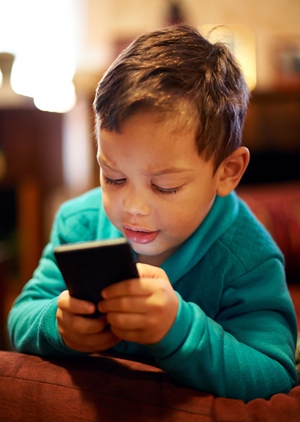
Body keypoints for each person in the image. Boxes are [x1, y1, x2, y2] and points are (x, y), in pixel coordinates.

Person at [8, 24, 297, 402]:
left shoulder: (247, 258)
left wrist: (179, 330)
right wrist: (58, 325)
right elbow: (20, 318)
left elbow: (275, 374)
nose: (133, 207)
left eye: (165, 186)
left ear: (227, 172)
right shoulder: (79, 223)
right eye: (113, 177)